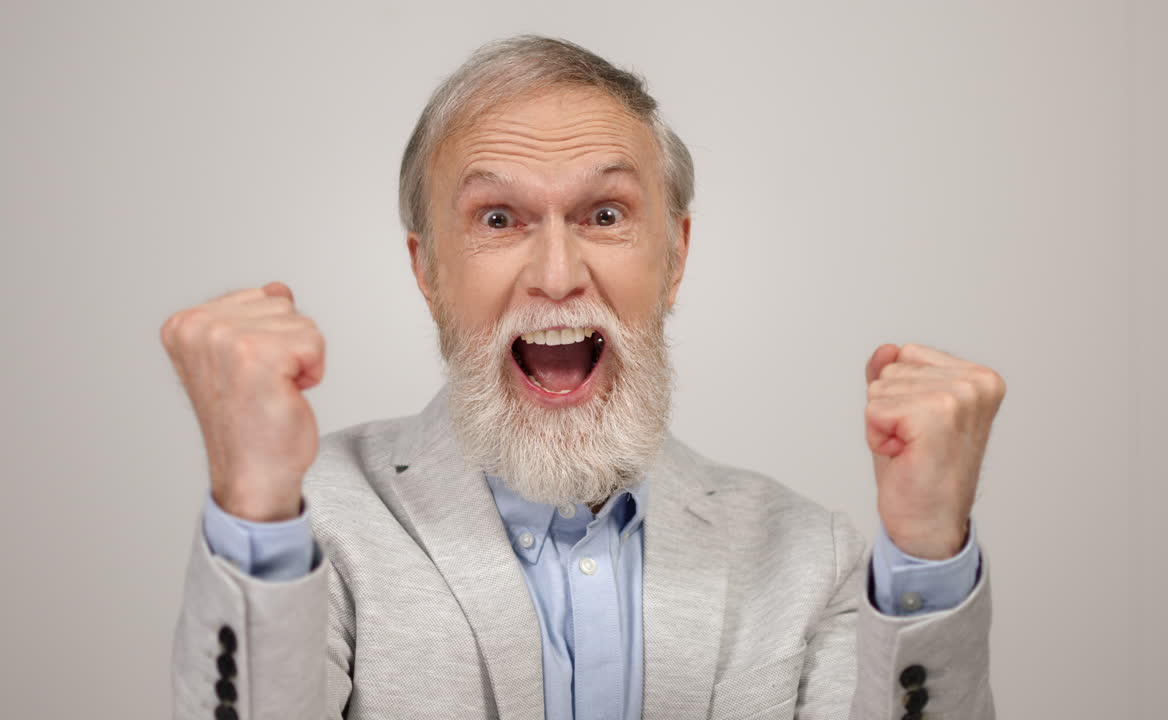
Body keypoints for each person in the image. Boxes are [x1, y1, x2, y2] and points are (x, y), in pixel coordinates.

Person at [163, 35, 1003, 720]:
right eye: (499, 219)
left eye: (605, 215)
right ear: (428, 272)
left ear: (675, 257)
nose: (557, 276)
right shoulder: (314, 523)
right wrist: (254, 500)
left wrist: (927, 545)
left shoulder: (808, 557)